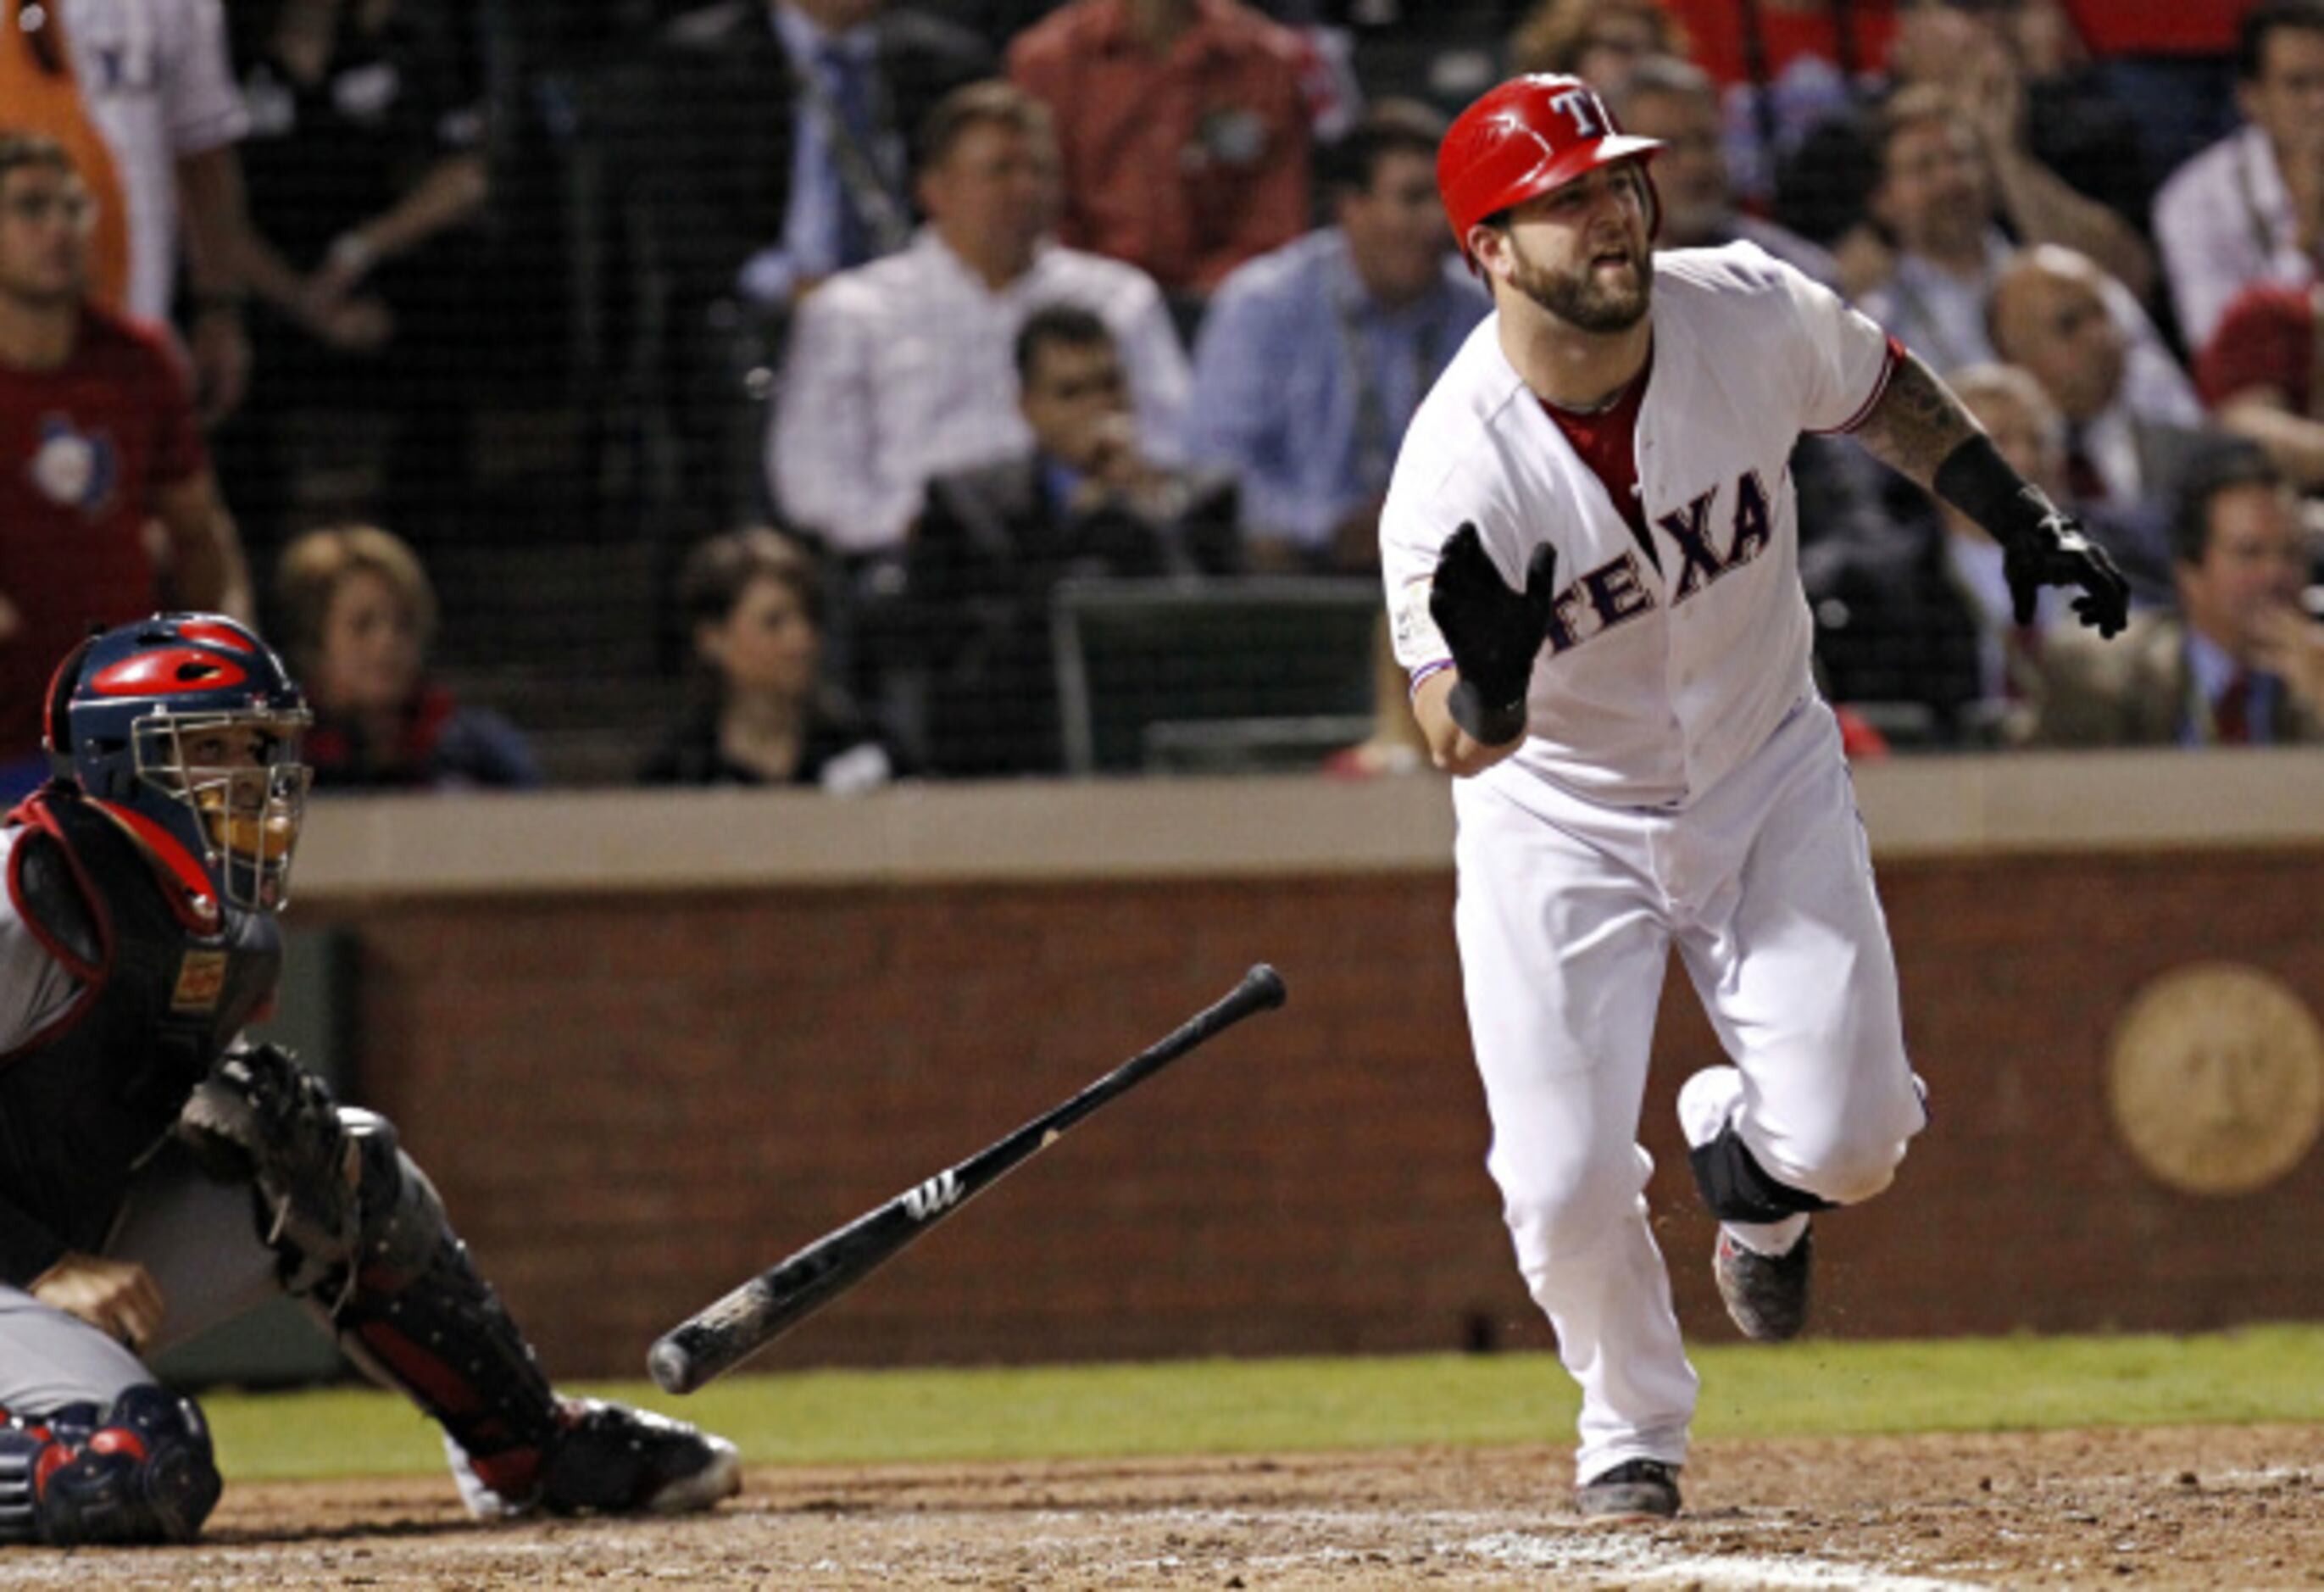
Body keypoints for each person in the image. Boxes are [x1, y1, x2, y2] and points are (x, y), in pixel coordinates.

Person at [1384, 74, 2127, 1519]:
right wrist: (1481, 693)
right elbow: (1447, 734)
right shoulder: (1452, 471)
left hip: (1764, 760)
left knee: (1858, 1138)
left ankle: (1751, 1165)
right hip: (1559, 813)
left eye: (1618, 184)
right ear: (1488, 248)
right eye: (1567, 201)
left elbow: (1875, 387)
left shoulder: (1734, 303)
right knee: (1556, 1176)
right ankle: (1628, 1426)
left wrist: (2013, 511)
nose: (1613, 217)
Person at [0, 612, 742, 1545]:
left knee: (336, 1166)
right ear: (117, 764)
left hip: (45, 1266)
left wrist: (231, 1110)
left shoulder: (228, 933)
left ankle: (529, 1449)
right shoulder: (24, 892)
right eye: (208, 749)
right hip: (25, 1263)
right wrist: (41, 1263)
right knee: (130, 1470)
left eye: (260, 746)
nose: (249, 779)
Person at [770, 79, 1190, 561]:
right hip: (921, 567)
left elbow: (1176, 440)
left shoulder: (1119, 299)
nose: (1026, 188)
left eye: (1041, 170)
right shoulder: (853, 312)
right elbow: (812, 482)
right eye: (1000, 170)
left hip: (1091, 547)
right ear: (934, 190)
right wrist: (914, 530)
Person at [0, 132, 254, 800]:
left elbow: (199, 531)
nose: (59, 228)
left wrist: (221, 662)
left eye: (72, 208)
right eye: (31, 209)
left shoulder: (136, 364)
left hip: (119, 742)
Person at [909, 304, 1240, 776]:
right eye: (1071, 392)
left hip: (1169, 764)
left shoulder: (1200, 502)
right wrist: (1083, 525)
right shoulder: (968, 508)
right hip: (1028, 765)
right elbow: (972, 681)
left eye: (1110, 385)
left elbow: (1224, 645)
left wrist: (1150, 521)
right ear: (1027, 407)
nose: (1098, 408)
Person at [1186, 101, 1486, 573]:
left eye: (1444, 200)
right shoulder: (1264, 305)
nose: (1437, 223)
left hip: (1452, 571)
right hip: (1296, 574)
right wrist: (1326, 525)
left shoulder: (1482, 313)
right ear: (1352, 207)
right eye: (1412, 199)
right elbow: (1218, 469)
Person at [1007, 0, 1310, 298]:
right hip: (1081, 309)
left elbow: (1273, 223)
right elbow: (1041, 215)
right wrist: (1102, 294)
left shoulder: (1266, 61)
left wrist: (1211, 295)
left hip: (1221, 306)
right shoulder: (1049, 62)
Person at [2032, 437, 2324, 746]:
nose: (2276, 575)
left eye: (2293, 554)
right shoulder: (2100, 675)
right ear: (2190, 573)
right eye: (2250, 554)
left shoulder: (2316, 674)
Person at [271, 524, 540, 790]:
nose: (387, 642)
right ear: (313, 642)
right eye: (362, 625)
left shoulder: (479, 753)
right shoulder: (275, 757)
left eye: (404, 623)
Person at [642, 526, 898, 789]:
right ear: (713, 639)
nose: (802, 640)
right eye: (774, 623)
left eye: (809, 617)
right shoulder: (681, 772)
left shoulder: (868, 748)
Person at [1985, 245, 2209, 520]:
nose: (2099, 337)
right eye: (2068, 324)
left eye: (2102, 314)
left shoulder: (2189, 450)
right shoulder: (1996, 480)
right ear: (2011, 354)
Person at [2154, 0, 2324, 354]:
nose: (2319, 102)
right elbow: (2216, 346)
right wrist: (2302, 240)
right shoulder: (2193, 201)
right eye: (2299, 84)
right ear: (2252, 98)